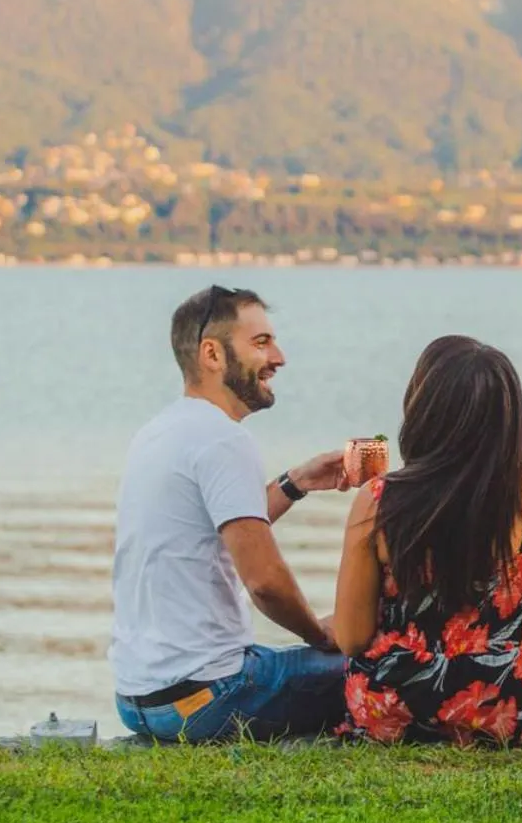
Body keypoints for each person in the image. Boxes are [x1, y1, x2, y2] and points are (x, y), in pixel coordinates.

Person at [110, 284, 352, 743]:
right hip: (209, 699)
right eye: (261, 343)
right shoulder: (223, 439)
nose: (278, 357)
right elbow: (265, 583)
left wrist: (295, 482)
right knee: (383, 663)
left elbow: (216, 528)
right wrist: (319, 635)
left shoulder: (160, 431)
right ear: (212, 354)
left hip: (141, 701)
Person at [332, 336, 522, 746]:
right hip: (508, 706)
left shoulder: (381, 502)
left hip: (398, 708)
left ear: (423, 410)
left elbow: (352, 637)